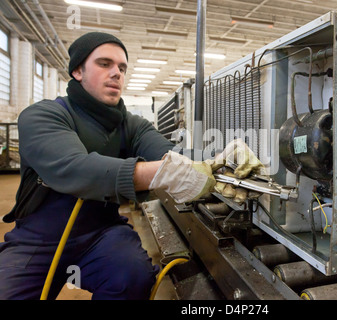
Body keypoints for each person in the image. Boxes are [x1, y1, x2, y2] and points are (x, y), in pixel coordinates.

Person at [0, 32, 262, 300]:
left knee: (133, 277)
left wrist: (218, 160)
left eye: (122, 68)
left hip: (100, 235)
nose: (117, 73)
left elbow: (174, 155)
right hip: (40, 239)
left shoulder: (131, 125)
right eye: (105, 64)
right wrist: (164, 173)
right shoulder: (43, 116)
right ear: (78, 70)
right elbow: (75, 168)